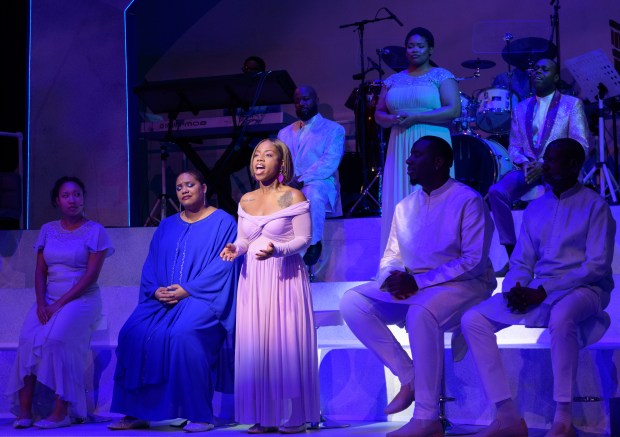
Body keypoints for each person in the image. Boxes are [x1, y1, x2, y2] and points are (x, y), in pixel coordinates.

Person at [339, 136, 496, 437]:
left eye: (416, 155)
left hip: (465, 284)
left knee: (421, 312)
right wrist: (392, 280)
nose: (408, 161)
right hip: (417, 285)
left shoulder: (468, 199)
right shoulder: (405, 205)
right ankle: (409, 376)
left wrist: (419, 281)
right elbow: (392, 255)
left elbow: (473, 261)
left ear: (438, 162)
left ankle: (427, 418)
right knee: (353, 302)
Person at [461, 138, 615, 437]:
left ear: (573, 165)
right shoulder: (536, 208)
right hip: (538, 290)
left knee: (562, 316)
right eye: (546, 158)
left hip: (587, 290)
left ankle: (563, 419)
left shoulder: (596, 205)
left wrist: (543, 290)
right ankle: (507, 417)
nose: (545, 164)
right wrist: (516, 288)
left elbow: (596, 266)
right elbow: (522, 260)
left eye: (553, 159)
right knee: (473, 320)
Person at [109, 170, 239, 433]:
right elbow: (151, 264)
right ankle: (137, 412)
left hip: (203, 297)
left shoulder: (223, 222)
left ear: (203, 188)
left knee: (184, 333)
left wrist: (188, 289)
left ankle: (199, 414)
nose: (184, 190)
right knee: (132, 333)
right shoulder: (167, 225)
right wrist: (155, 290)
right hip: (163, 298)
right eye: (179, 187)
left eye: (190, 185)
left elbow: (224, 266)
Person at [220, 138, 319, 434]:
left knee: (284, 344)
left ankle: (295, 414)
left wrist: (277, 249)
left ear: (281, 163)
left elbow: (304, 240)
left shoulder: (291, 196)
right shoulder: (247, 199)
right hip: (253, 281)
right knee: (257, 346)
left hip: (283, 277)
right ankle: (265, 416)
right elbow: (245, 239)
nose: (259, 159)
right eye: (256, 155)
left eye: (268, 154)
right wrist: (235, 249)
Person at [6, 176, 114, 429]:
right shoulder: (48, 229)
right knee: (27, 339)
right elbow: (40, 271)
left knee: (56, 340)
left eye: (77, 194)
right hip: (49, 299)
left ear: (83, 198)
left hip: (82, 298)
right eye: (66, 195)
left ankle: (61, 411)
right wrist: (42, 303)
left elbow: (90, 276)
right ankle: (25, 411)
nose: (72, 200)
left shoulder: (95, 231)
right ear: (57, 200)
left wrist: (58, 305)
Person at [486, 58, 590, 275]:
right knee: (496, 192)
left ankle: (557, 259)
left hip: (559, 170)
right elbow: (514, 146)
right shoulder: (521, 107)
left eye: (545, 69)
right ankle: (513, 256)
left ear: (555, 76)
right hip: (528, 168)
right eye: (535, 69)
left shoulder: (571, 104)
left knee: (553, 200)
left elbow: (581, 144)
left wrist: (547, 164)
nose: (538, 72)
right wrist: (525, 164)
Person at [374, 27, 461, 254]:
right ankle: (399, 258)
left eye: (420, 46)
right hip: (400, 140)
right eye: (411, 46)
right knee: (400, 196)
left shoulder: (441, 76)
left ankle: (438, 254)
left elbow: (453, 110)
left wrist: (417, 117)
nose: (415, 50)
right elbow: (378, 115)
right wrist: (393, 118)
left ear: (430, 49)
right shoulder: (392, 80)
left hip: (431, 140)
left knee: (433, 197)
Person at [277, 85, 345, 266]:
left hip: (319, 181)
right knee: (276, 200)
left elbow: (329, 161)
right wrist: (285, 180)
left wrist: (302, 179)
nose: (301, 103)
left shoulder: (334, 129)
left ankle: (314, 243)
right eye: (297, 101)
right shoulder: (284, 133)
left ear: (316, 100)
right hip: (290, 184)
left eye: (305, 99)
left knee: (313, 194)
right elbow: (280, 162)